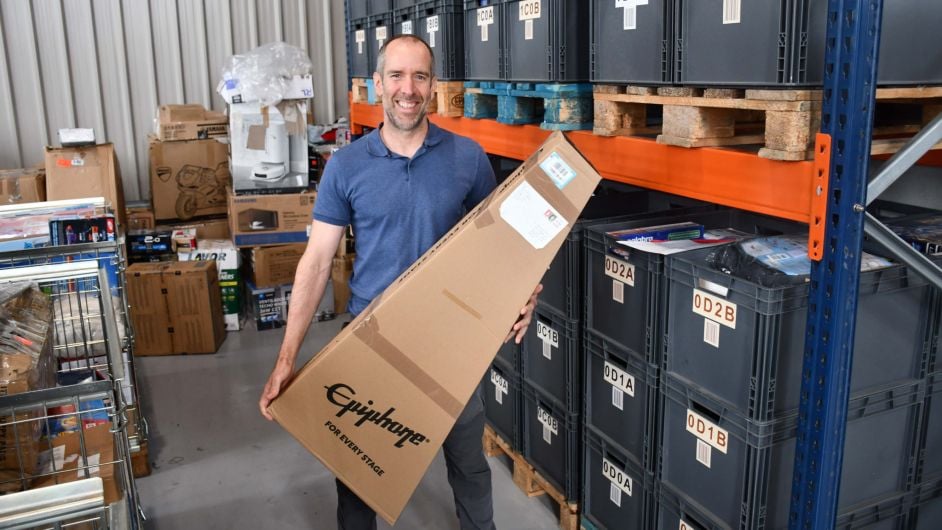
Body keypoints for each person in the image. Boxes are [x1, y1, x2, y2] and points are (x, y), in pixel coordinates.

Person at [259, 34, 542, 530]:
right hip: (372, 340)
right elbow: (317, 261)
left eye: (419, 76)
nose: (407, 89)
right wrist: (287, 359)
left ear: (432, 86)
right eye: (396, 76)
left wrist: (525, 294)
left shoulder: (467, 158)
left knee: (469, 465)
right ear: (377, 85)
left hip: (451, 341)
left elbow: (502, 248)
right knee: (357, 472)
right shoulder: (346, 166)